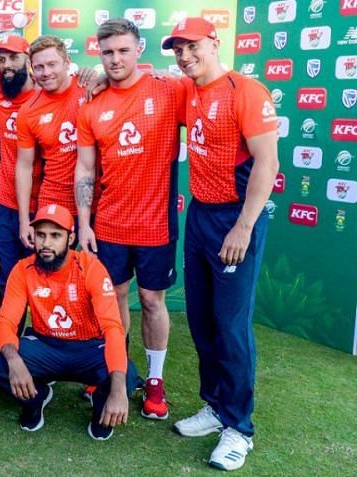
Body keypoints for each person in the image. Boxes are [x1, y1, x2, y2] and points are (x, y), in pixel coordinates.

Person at [163, 18, 279, 471]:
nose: (185, 55)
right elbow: (144, 82)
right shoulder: (186, 91)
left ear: (214, 42)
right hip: (200, 214)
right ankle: (215, 407)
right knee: (201, 320)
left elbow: (268, 164)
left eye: (192, 46)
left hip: (236, 217)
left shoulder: (246, 91)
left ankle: (239, 427)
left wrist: (244, 226)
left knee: (231, 326)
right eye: (178, 50)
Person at [76, 18, 185, 421]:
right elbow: (85, 170)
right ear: (99, 54)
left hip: (156, 224)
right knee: (114, 299)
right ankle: (118, 369)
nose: (115, 59)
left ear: (140, 49)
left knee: (152, 300)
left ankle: (154, 381)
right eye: (107, 52)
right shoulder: (92, 105)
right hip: (109, 225)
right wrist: (84, 223)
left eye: (123, 50)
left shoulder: (169, 90)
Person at [0, 204, 128, 439]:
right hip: (46, 347)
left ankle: (101, 407)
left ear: (71, 238)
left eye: (55, 236)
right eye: (41, 235)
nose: (46, 244)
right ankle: (36, 397)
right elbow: (6, 323)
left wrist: (119, 388)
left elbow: (112, 328)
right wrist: (14, 360)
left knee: (124, 374)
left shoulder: (91, 268)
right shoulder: (23, 270)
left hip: (88, 348)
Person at [0, 34, 42, 303]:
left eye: (13, 58)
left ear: (28, 59)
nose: (7, 65)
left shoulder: (46, 94)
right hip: (5, 203)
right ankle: (7, 339)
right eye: (2, 60)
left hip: (43, 204)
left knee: (42, 278)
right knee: (7, 276)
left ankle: (41, 339)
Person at [15, 35, 85, 250]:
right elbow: (24, 167)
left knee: (99, 274)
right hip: (54, 201)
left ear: (66, 62)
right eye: (39, 67)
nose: (46, 73)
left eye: (52, 64)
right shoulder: (28, 111)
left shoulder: (90, 89)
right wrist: (24, 219)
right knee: (54, 276)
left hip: (99, 202)